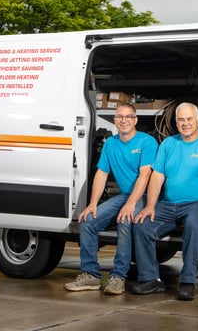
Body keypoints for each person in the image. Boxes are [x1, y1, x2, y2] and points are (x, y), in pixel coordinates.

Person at [131, 102, 198, 301]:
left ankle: (188, 282)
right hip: (168, 205)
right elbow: (157, 176)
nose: (185, 124)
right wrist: (150, 206)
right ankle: (150, 279)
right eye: (181, 120)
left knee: (193, 227)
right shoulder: (168, 144)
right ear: (176, 122)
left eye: (189, 119)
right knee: (142, 226)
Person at [64, 103, 157, 295]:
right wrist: (92, 204)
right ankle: (90, 275)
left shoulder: (147, 142)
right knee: (88, 221)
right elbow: (101, 174)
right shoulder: (111, 144)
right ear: (115, 120)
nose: (124, 120)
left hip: (144, 194)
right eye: (119, 117)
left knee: (125, 219)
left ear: (135, 120)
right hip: (124, 196)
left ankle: (118, 277)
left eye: (128, 117)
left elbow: (145, 175)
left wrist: (131, 204)